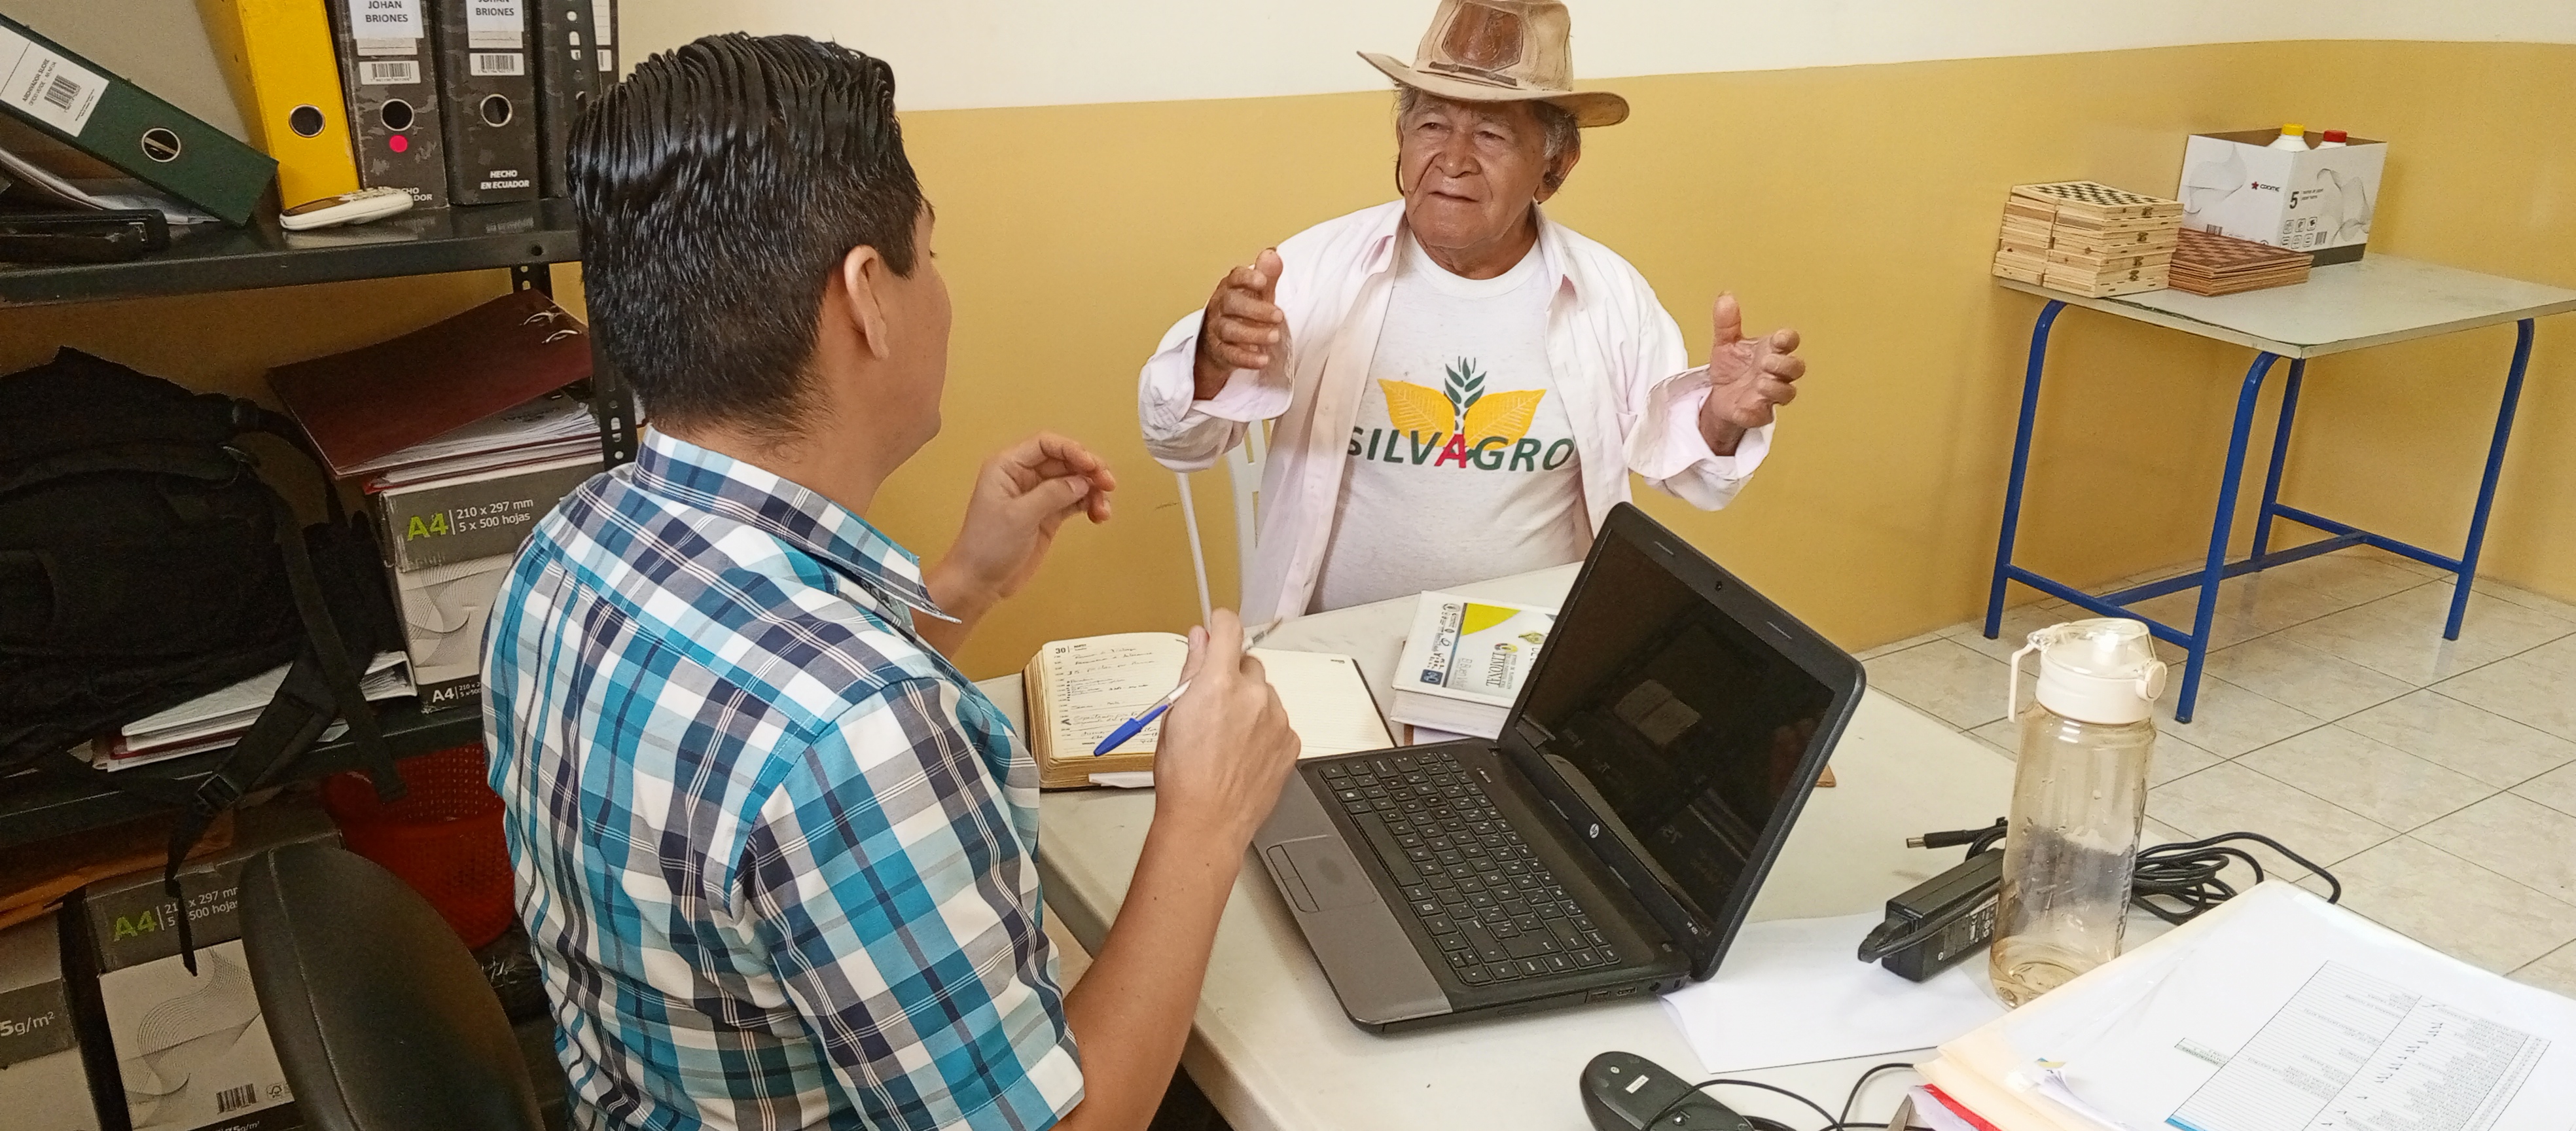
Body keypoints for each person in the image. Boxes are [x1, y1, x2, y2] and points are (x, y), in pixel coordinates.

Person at [483, 34, 1300, 1131]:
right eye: (931, 252)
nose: (943, 292)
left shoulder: (569, 546)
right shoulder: (859, 738)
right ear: (868, 294)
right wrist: (1204, 820)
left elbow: (751, 744)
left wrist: (962, 584)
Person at [1137, 0, 1809, 624]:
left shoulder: (1609, 294)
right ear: (1401, 137)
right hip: (1329, 650)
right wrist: (1211, 360)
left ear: (1556, 165)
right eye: (1432, 125)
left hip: (1531, 652)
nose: (1453, 161)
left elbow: (1689, 473)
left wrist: (1719, 419)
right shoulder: (1312, 268)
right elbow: (1178, 443)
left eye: (1491, 134)